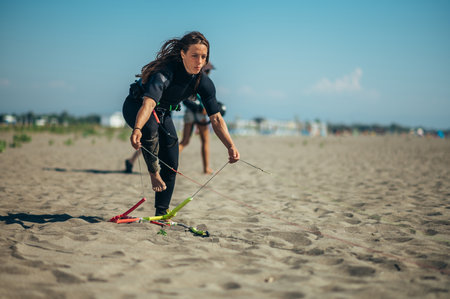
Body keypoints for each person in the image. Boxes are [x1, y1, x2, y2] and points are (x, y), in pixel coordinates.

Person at [122, 31, 240, 217]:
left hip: (163, 112)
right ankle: (154, 174)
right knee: (150, 127)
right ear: (183, 54)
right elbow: (149, 103)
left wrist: (231, 146)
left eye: (204, 57)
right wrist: (137, 128)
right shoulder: (165, 73)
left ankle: (161, 212)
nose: (200, 61)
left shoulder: (203, 82)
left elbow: (216, 118)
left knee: (172, 159)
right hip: (137, 106)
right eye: (195, 55)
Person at [179, 62, 216, 174]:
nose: (209, 73)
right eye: (208, 70)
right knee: (205, 141)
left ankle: (170, 163)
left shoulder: (190, 79)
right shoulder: (204, 82)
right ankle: (206, 168)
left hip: (189, 112)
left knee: (184, 141)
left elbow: (185, 98)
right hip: (201, 114)